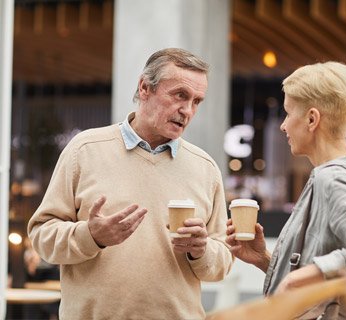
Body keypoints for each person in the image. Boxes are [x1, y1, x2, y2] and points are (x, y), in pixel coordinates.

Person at [28, 48, 233, 319]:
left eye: (197, 101)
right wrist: (91, 236)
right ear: (145, 87)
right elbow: (42, 237)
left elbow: (222, 262)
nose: (187, 110)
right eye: (180, 95)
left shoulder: (204, 168)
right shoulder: (85, 150)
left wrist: (201, 250)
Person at [226, 62, 346, 319]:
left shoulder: (335, 180)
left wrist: (308, 275)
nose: (283, 125)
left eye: (288, 113)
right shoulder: (333, 176)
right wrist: (264, 258)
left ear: (311, 119)